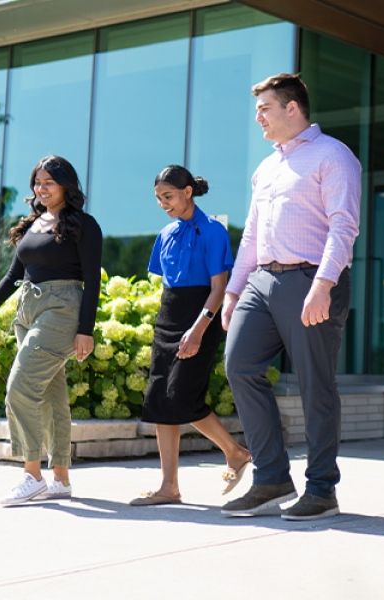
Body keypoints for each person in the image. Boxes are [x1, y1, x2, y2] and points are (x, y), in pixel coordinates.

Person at [220, 73, 360, 521]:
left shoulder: (333, 156)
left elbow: (344, 225)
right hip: (262, 280)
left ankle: (322, 490)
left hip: (311, 279)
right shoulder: (267, 167)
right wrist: (234, 290)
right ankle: (271, 479)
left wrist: (323, 284)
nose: (258, 117)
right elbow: (252, 236)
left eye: (264, 109)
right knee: (239, 364)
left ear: (292, 108)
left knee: (316, 384)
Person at [0, 155, 102, 505]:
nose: (41, 189)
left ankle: (31, 474)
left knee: (20, 388)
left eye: (48, 183)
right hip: (28, 310)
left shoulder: (84, 225)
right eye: (37, 183)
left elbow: (92, 282)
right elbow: (13, 276)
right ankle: (60, 478)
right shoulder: (32, 224)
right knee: (52, 396)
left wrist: (85, 330)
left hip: (62, 308)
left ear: (65, 186)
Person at [130, 165, 253, 506]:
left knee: (182, 397)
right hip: (168, 317)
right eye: (158, 198)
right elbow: (166, 286)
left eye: (168, 196)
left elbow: (219, 288)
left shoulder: (213, 231)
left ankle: (235, 452)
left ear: (187, 192)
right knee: (159, 401)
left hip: (201, 316)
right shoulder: (166, 233)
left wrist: (198, 329)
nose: (163, 204)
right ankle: (169, 487)